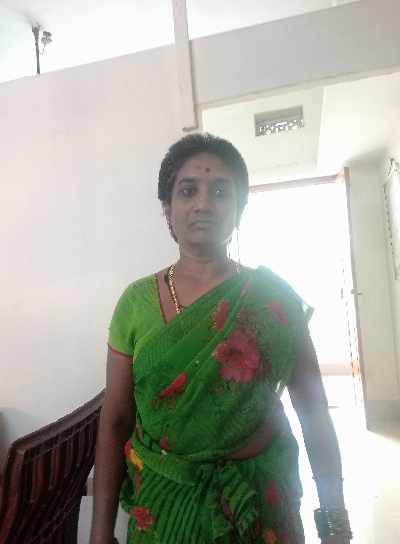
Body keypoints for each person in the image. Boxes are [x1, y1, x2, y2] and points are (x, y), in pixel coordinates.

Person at [90, 133, 352, 544]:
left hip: (258, 502)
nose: (204, 203)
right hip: (164, 508)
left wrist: (335, 520)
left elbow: (313, 409)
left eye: (220, 191)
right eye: (188, 190)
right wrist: (99, 531)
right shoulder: (135, 303)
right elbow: (116, 420)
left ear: (239, 208)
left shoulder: (273, 299)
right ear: (167, 209)